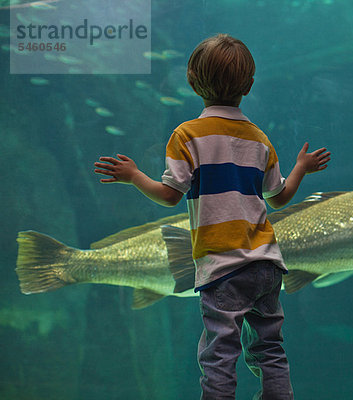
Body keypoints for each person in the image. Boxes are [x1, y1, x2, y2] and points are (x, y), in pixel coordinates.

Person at [94, 33, 331, 400]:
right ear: (250, 86)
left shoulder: (187, 135)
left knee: (219, 353)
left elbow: (170, 196)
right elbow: (280, 198)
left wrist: (134, 176)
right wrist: (301, 167)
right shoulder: (259, 139)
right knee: (270, 348)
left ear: (190, 80)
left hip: (223, 266)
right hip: (267, 264)